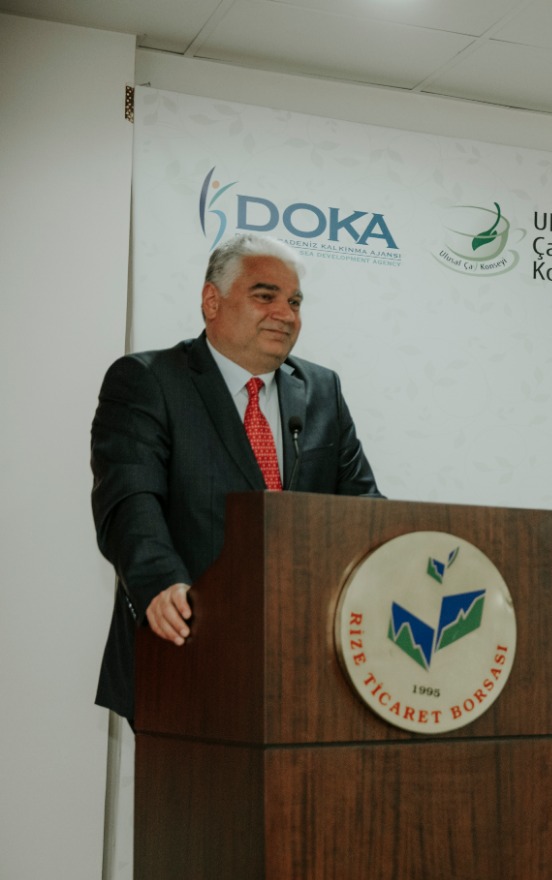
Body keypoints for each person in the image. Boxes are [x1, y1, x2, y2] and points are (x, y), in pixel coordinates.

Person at [90, 232, 380, 723]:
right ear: (212, 301)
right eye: (265, 296)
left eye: (294, 302)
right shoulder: (149, 379)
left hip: (306, 657)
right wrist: (161, 583)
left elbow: (362, 505)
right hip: (186, 646)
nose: (285, 314)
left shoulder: (321, 389)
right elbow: (130, 500)